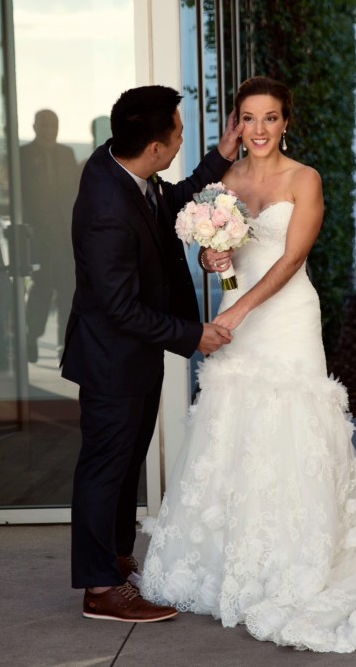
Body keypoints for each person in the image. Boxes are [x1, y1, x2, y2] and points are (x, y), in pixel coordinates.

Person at [140, 77, 356, 651]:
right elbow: (219, 261)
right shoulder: (223, 180)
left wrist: (239, 311)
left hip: (284, 317)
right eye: (248, 118)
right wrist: (212, 257)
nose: (258, 129)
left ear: (285, 122)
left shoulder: (305, 180)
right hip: (234, 313)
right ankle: (236, 563)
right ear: (235, 123)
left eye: (270, 118)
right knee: (235, 427)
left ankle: (299, 564)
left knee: (292, 428)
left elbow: (291, 259)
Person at [61, 85, 241, 622]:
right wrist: (191, 336)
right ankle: (99, 590)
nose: (182, 138)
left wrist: (221, 156)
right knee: (103, 468)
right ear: (156, 148)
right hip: (111, 359)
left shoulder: (126, 170)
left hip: (132, 358)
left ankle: (117, 561)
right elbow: (119, 307)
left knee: (123, 465)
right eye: (179, 133)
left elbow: (175, 200)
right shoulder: (106, 208)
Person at [19, 109, 80, 363]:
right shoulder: (22, 156)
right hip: (37, 238)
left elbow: (76, 192)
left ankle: (64, 346)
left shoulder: (67, 154)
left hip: (65, 237)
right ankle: (32, 336)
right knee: (41, 291)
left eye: (52, 125)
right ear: (34, 126)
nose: (48, 130)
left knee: (68, 290)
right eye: (44, 125)